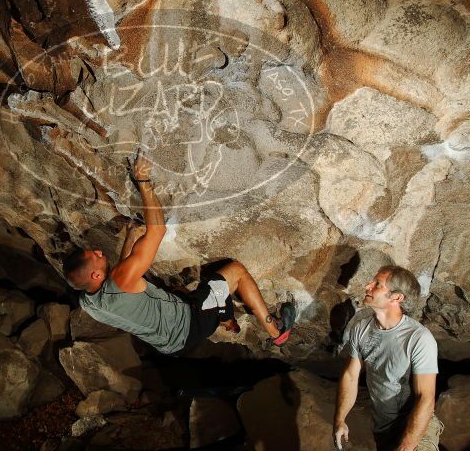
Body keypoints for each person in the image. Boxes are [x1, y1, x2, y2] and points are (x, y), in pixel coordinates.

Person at [62, 150, 296, 355]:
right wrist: (143, 180)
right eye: (95, 256)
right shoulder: (119, 280)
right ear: (95, 276)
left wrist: (132, 237)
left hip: (167, 345)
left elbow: (124, 275)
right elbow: (157, 230)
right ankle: (277, 331)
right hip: (189, 326)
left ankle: (225, 319)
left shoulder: (88, 302)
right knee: (234, 272)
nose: (99, 251)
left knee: (195, 292)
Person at [333, 265, 443, 451]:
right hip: (384, 428)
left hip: (415, 423)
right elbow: (351, 376)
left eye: (377, 284)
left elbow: (425, 397)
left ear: (397, 297)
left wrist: (409, 446)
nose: (368, 286)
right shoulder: (361, 329)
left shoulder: (418, 338)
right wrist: (340, 419)